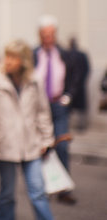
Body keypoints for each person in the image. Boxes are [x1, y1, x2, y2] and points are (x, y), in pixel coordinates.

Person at [0, 39, 54, 220]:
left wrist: (47, 139)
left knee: (38, 192)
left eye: (13, 57)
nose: (8, 61)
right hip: (3, 145)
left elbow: (42, 112)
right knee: (7, 195)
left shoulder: (35, 80)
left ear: (24, 61)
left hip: (32, 144)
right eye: (7, 56)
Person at [33, 14, 79, 205]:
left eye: (51, 34)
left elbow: (75, 77)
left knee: (62, 145)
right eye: (44, 34)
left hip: (58, 104)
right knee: (41, 147)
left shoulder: (65, 54)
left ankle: (64, 188)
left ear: (55, 34)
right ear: (39, 35)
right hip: (38, 106)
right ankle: (44, 185)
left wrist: (68, 96)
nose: (48, 38)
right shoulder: (33, 54)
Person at [67, 37, 90, 131]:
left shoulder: (80, 54)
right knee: (70, 105)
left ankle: (80, 124)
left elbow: (86, 68)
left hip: (78, 83)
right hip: (74, 83)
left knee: (79, 106)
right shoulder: (68, 54)